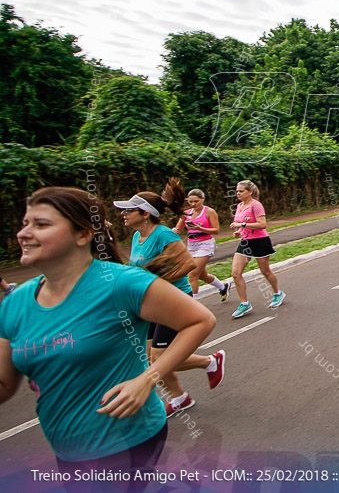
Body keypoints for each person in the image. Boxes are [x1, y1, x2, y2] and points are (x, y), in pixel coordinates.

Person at [0, 187, 215, 482]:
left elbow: (200, 318)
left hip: (127, 440)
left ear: (83, 234)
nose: (24, 233)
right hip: (66, 448)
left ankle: (199, 374)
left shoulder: (121, 283)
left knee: (156, 357)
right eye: (25, 223)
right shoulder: (15, 303)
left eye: (41, 224)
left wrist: (147, 380)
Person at [115, 180, 226, 416]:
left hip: (172, 301)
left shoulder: (163, 235)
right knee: (147, 357)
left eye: (129, 210)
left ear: (145, 213)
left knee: (158, 358)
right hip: (150, 303)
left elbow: (187, 265)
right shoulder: (138, 237)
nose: (124, 214)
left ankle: (210, 362)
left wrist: (156, 284)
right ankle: (181, 398)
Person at [229, 179, 284, 318]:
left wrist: (242, 224)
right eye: (237, 191)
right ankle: (244, 303)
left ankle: (278, 293)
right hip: (246, 242)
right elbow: (241, 225)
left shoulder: (256, 205)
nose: (238, 194)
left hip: (260, 241)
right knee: (235, 273)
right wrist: (238, 231)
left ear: (250, 192)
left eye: (241, 191)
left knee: (265, 271)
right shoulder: (239, 206)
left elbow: (262, 224)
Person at [173, 189, 229, 302]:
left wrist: (200, 228)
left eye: (196, 201)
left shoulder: (209, 212)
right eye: (190, 202)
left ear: (202, 199)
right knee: (202, 275)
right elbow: (177, 229)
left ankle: (194, 304)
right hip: (192, 245)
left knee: (193, 274)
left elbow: (216, 230)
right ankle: (223, 287)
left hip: (206, 244)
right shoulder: (186, 213)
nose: (193, 204)